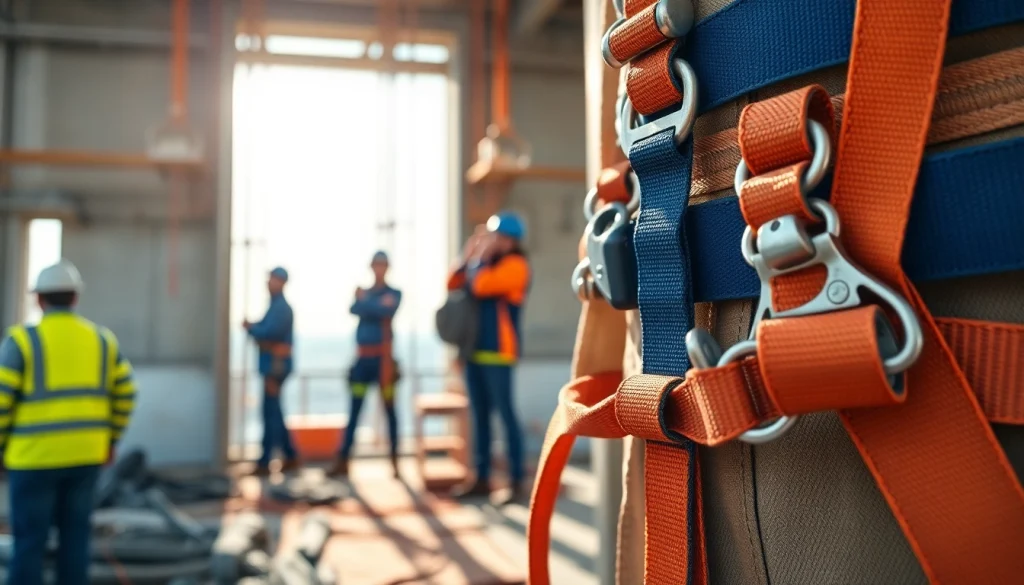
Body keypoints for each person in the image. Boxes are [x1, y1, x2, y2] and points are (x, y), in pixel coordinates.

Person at [0, 260, 137, 585]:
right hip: (85, 457)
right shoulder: (102, 340)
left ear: (39, 299)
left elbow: (1, 400)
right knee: (75, 540)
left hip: (32, 460)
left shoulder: (22, 342)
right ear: (75, 297)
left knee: (29, 542)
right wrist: (111, 440)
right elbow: (127, 393)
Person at [447, 212, 531, 505]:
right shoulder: (480, 265)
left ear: (510, 241)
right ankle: (481, 479)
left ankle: (516, 481)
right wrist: (467, 255)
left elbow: (481, 286)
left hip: (499, 354)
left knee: (506, 416)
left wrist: (479, 258)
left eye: (497, 237)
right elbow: (452, 284)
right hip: (474, 353)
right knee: (479, 417)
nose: (492, 242)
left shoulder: (516, 266)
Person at [330, 251, 402, 478]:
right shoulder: (377, 295)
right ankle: (343, 460)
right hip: (362, 362)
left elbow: (385, 309)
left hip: (384, 363)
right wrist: (374, 305)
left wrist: (365, 301)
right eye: (376, 265)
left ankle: (395, 462)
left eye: (382, 265)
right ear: (372, 267)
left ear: (387, 267)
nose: (379, 268)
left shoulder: (394, 293)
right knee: (354, 410)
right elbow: (354, 309)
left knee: (390, 412)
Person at [243, 267, 299, 476]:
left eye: (273, 279)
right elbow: (266, 328)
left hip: (275, 367)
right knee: (274, 412)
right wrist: (255, 327)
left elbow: (270, 332)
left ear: (282, 282)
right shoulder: (275, 306)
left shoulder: (281, 308)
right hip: (273, 365)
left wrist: (252, 329)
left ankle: (266, 461)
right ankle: (290, 455)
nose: (269, 282)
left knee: (270, 414)